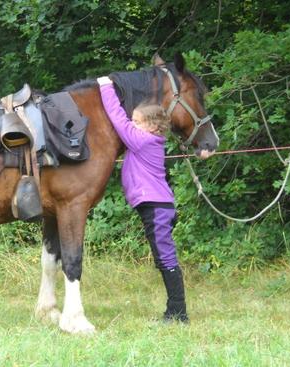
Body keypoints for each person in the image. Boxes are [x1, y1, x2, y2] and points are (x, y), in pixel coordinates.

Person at [97, 76, 189, 323]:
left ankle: (178, 312)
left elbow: (118, 119)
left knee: (165, 257)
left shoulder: (143, 141)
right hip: (156, 206)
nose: (132, 124)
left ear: (152, 126)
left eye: (136, 122)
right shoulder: (147, 141)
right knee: (163, 256)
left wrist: (106, 86)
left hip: (157, 208)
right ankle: (176, 310)